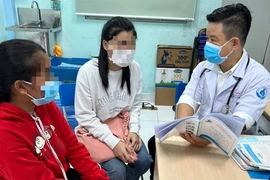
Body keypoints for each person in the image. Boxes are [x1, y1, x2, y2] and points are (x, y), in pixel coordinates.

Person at [148, 3, 270, 180]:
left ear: (234, 43)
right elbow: (188, 98)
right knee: (156, 145)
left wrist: (210, 138)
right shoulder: (204, 68)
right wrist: (184, 126)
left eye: (213, 40)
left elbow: (240, 120)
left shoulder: (259, 77)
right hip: (198, 138)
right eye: (207, 37)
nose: (207, 44)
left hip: (232, 146)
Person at [0, 39, 109, 180]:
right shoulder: (5, 135)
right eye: (45, 74)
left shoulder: (43, 104)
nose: (52, 79)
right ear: (21, 87)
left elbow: (73, 147)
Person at [75, 16, 152, 180]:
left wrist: (134, 130)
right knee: (117, 170)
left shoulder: (135, 68)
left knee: (144, 161)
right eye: (122, 45)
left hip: (121, 125)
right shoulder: (88, 72)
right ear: (105, 44)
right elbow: (85, 117)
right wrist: (114, 143)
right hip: (95, 130)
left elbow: (136, 105)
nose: (128, 50)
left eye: (131, 44)